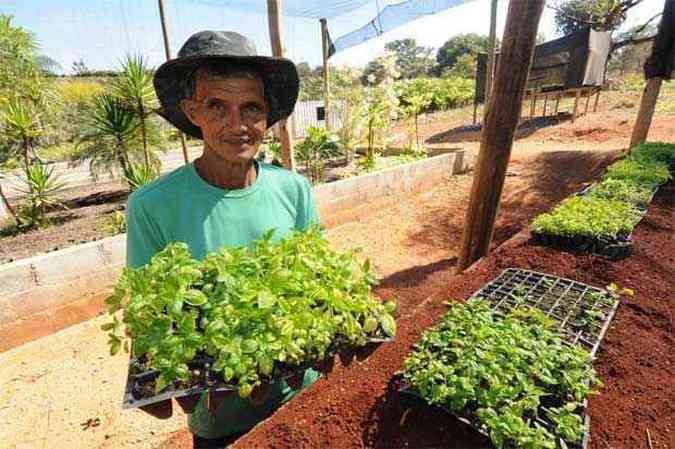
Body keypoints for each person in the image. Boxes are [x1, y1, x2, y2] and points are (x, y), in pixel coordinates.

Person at [126, 30, 320, 448]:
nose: (238, 125)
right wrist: (158, 379)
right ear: (192, 111)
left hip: (302, 396)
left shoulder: (294, 190)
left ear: (268, 114)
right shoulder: (152, 205)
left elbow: (320, 286)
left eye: (251, 107)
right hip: (222, 422)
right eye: (218, 107)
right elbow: (150, 313)